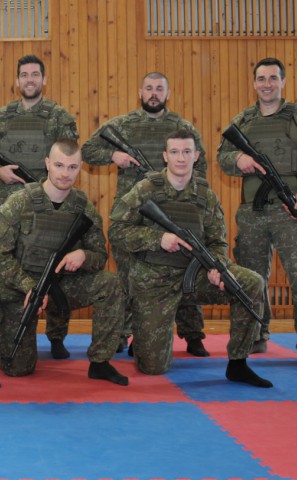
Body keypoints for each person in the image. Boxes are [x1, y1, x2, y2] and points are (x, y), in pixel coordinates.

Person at [109, 129, 272, 388]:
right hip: (154, 282)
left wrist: (217, 266)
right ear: (165, 156)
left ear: (196, 156)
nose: (181, 158)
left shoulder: (205, 195)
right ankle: (145, 334)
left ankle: (238, 364)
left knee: (251, 283)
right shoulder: (146, 189)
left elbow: (218, 242)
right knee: (153, 368)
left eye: (187, 152)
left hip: (196, 276)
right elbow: (116, 230)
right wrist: (158, 238)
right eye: (174, 152)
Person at [82, 71, 210, 357]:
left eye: (159, 89)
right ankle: (125, 333)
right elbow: (88, 150)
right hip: (134, 214)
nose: (154, 94)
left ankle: (192, 334)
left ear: (168, 93)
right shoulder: (124, 124)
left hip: (175, 213)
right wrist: (113, 156)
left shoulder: (182, 127)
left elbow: (201, 168)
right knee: (128, 277)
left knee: (186, 270)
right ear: (140, 93)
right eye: (149, 88)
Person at [216, 57, 297, 370]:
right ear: (254, 83)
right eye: (261, 79)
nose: (267, 84)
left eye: (273, 78)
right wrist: (237, 160)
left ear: (282, 82)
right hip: (251, 212)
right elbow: (222, 155)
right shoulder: (243, 120)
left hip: (290, 210)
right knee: (251, 278)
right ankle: (256, 335)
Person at [0, 139, 128, 386]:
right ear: (47, 164)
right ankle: (5, 340)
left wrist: (84, 255)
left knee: (111, 283)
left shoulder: (83, 208)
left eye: (72, 167)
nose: (65, 173)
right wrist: (28, 286)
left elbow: (100, 256)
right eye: (59, 165)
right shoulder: (19, 203)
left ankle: (100, 362)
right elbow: (1, 257)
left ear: (80, 167)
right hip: (20, 288)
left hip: (62, 286)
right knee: (18, 368)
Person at [0, 53, 79, 357]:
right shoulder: (0, 118)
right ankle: (5, 332)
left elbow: (70, 157)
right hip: (11, 205)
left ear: (44, 80)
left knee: (54, 268)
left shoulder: (59, 117)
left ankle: (57, 336)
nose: (30, 79)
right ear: (17, 80)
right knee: (8, 268)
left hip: (50, 206)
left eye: (35, 74)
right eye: (24, 75)